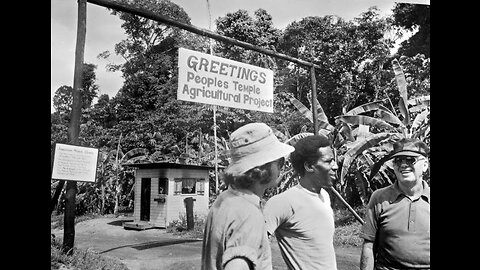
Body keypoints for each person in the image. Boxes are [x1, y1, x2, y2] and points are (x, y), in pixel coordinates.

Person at [201, 122, 295, 270]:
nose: (281, 168)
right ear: (262, 168)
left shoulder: (225, 200)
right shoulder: (248, 215)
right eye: (279, 162)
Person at [263, 134, 339, 270]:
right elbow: (255, 246)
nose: (336, 166)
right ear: (309, 166)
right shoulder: (283, 203)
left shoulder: (324, 196)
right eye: (329, 161)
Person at [359, 138, 430, 270]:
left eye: (410, 159)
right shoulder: (379, 198)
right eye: (398, 160)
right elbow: (369, 245)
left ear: (425, 165)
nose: (403, 165)